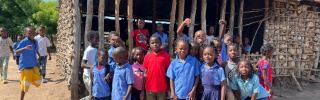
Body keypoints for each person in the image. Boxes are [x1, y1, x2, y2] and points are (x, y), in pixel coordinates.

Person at [15, 27, 41, 100]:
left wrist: (39, 55)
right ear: (25, 34)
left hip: (34, 65)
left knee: (38, 81)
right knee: (25, 85)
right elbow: (16, 51)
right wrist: (25, 48)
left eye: (33, 33)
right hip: (25, 66)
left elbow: (36, 50)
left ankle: (24, 81)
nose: (32, 34)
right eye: (29, 33)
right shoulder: (23, 42)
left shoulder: (35, 41)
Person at [141, 36, 171, 100]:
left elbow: (168, 74)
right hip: (149, 88)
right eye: (152, 43)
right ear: (149, 44)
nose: (155, 44)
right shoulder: (147, 56)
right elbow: (145, 74)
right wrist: (142, 90)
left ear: (161, 43)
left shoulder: (166, 56)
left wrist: (169, 89)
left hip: (162, 88)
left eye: (157, 42)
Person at [81, 32, 99, 96]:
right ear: (90, 39)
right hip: (88, 76)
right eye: (96, 38)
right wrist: (92, 67)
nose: (98, 40)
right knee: (93, 93)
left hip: (92, 75)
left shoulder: (95, 49)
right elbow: (82, 64)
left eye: (98, 38)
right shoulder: (88, 50)